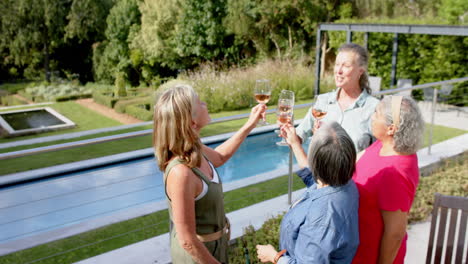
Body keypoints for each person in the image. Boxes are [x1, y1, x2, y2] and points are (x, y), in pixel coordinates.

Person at [153, 84, 266, 263]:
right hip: (196, 257)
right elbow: (187, 240)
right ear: (191, 122)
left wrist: (250, 124)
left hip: (215, 247)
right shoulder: (181, 173)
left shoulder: (193, 148)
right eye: (199, 103)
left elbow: (220, 157)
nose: (205, 103)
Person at [256, 122, 360, 264]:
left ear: (316, 162)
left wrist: (273, 256)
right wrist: (295, 144)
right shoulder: (344, 183)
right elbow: (314, 177)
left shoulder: (322, 218)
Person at [352, 95, 425, 264]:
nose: (372, 117)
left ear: (391, 128)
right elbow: (353, 162)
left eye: (377, 114)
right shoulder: (383, 144)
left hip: (370, 256)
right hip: (355, 249)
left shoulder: (395, 172)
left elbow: (395, 233)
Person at [295, 43, 380, 151]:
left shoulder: (373, 108)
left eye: (346, 66)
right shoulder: (323, 102)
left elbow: (381, 152)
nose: (338, 71)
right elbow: (299, 135)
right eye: (337, 64)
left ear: (360, 71)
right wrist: (287, 131)